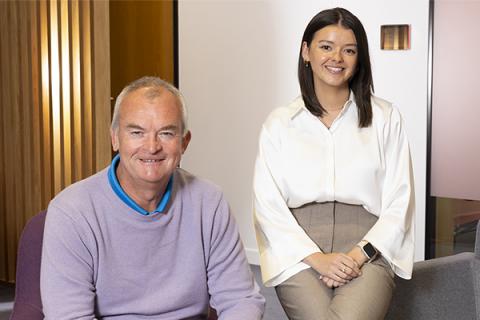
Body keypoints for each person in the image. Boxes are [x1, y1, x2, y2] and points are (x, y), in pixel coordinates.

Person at [40, 76, 265, 319]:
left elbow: (241, 299)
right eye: (137, 132)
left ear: (184, 142)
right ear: (115, 138)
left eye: (166, 133)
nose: (152, 146)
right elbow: (70, 316)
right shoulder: (72, 212)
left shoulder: (209, 202)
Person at [253, 7, 414, 320]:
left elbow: (400, 202)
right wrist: (316, 258)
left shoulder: (385, 118)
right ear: (306, 52)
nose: (336, 58)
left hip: (368, 246)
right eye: (326, 47)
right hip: (298, 247)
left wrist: (357, 255)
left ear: (359, 58)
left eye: (349, 50)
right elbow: (266, 205)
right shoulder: (280, 124)